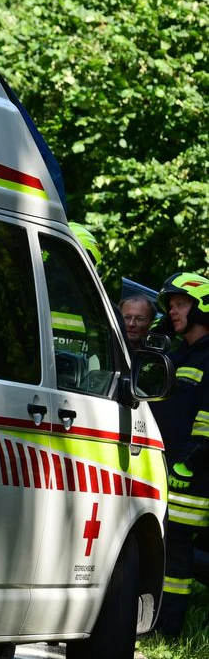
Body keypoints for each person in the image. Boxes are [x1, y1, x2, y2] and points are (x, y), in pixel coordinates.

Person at [150, 272, 209, 637]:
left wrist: (189, 462)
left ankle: (168, 629)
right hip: (165, 466)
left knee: (177, 550)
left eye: (181, 304)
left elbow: (206, 421)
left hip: (193, 474)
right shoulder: (179, 353)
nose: (173, 311)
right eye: (170, 306)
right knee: (166, 546)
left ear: (201, 308)